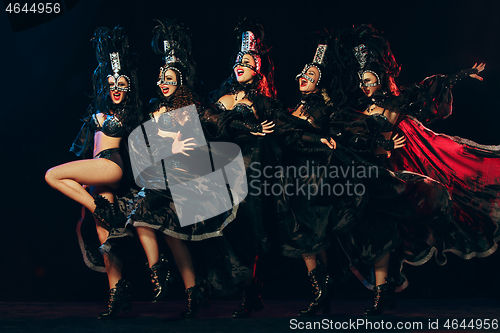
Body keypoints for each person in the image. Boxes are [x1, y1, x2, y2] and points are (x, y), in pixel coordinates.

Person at [331, 24, 499, 316]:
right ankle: (383, 293)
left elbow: (427, 89)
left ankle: (383, 293)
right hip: (369, 176)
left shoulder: (396, 102)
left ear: (381, 77)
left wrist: (460, 75)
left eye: (369, 79)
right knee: (377, 233)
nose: (365, 85)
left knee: (393, 229)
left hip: (395, 178)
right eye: (362, 80)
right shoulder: (355, 110)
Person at [126, 19, 237, 319]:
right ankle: (176, 281)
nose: (163, 81)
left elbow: (215, 125)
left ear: (181, 82)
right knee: (156, 223)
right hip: (160, 178)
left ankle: (201, 285)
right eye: (161, 76)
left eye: (170, 78)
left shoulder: (192, 110)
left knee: (160, 220)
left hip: (186, 181)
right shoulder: (151, 109)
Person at [45, 26, 141, 319]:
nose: (115, 88)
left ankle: (100, 208)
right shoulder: (99, 108)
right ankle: (118, 296)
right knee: (105, 236)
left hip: (110, 166)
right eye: (111, 83)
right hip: (99, 174)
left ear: (128, 86)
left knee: (52, 175)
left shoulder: (129, 111)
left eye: (121, 83)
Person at [200, 18, 280, 318]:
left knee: (247, 231)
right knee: (219, 230)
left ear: (257, 67)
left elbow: (281, 128)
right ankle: (213, 287)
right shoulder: (223, 98)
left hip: (251, 174)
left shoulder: (263, 101)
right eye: (237, 60)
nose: (239, 64)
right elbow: (209, 121)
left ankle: (250, 291)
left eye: (246, 61)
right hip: (222, 172)